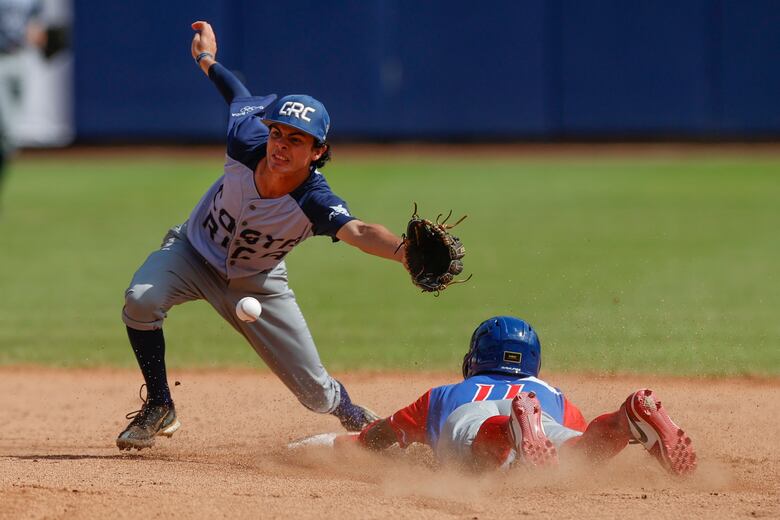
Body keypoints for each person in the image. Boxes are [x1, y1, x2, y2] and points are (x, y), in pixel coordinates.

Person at [116, 20, 408, 451]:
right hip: (191, 253)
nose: (280, 145)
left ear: (318, 152)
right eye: (277, 133)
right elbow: (237, 94)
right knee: (141, 300)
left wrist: (404, 252)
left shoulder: (313, 200)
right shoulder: (245, 139)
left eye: (296, 139)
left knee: (316, 394)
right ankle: (159, 405)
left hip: (258, 282)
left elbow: (360, 230)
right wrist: (206, 59)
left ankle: (352, 415)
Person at [335, 316, 697, 476]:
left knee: (475, 454)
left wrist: (359, 442)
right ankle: (627, 419)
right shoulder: (553, 394)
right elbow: (587, 446)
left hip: (477, 415)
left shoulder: (446, 393)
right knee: (579, 453)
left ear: (476, 357)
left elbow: (382, 435)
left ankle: (509, 430)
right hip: (539, 414)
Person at [0, 0, 45, 202]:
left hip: (19, 59)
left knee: (9, 141)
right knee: (6, 129)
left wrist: (42, 38)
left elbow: (34, 28)